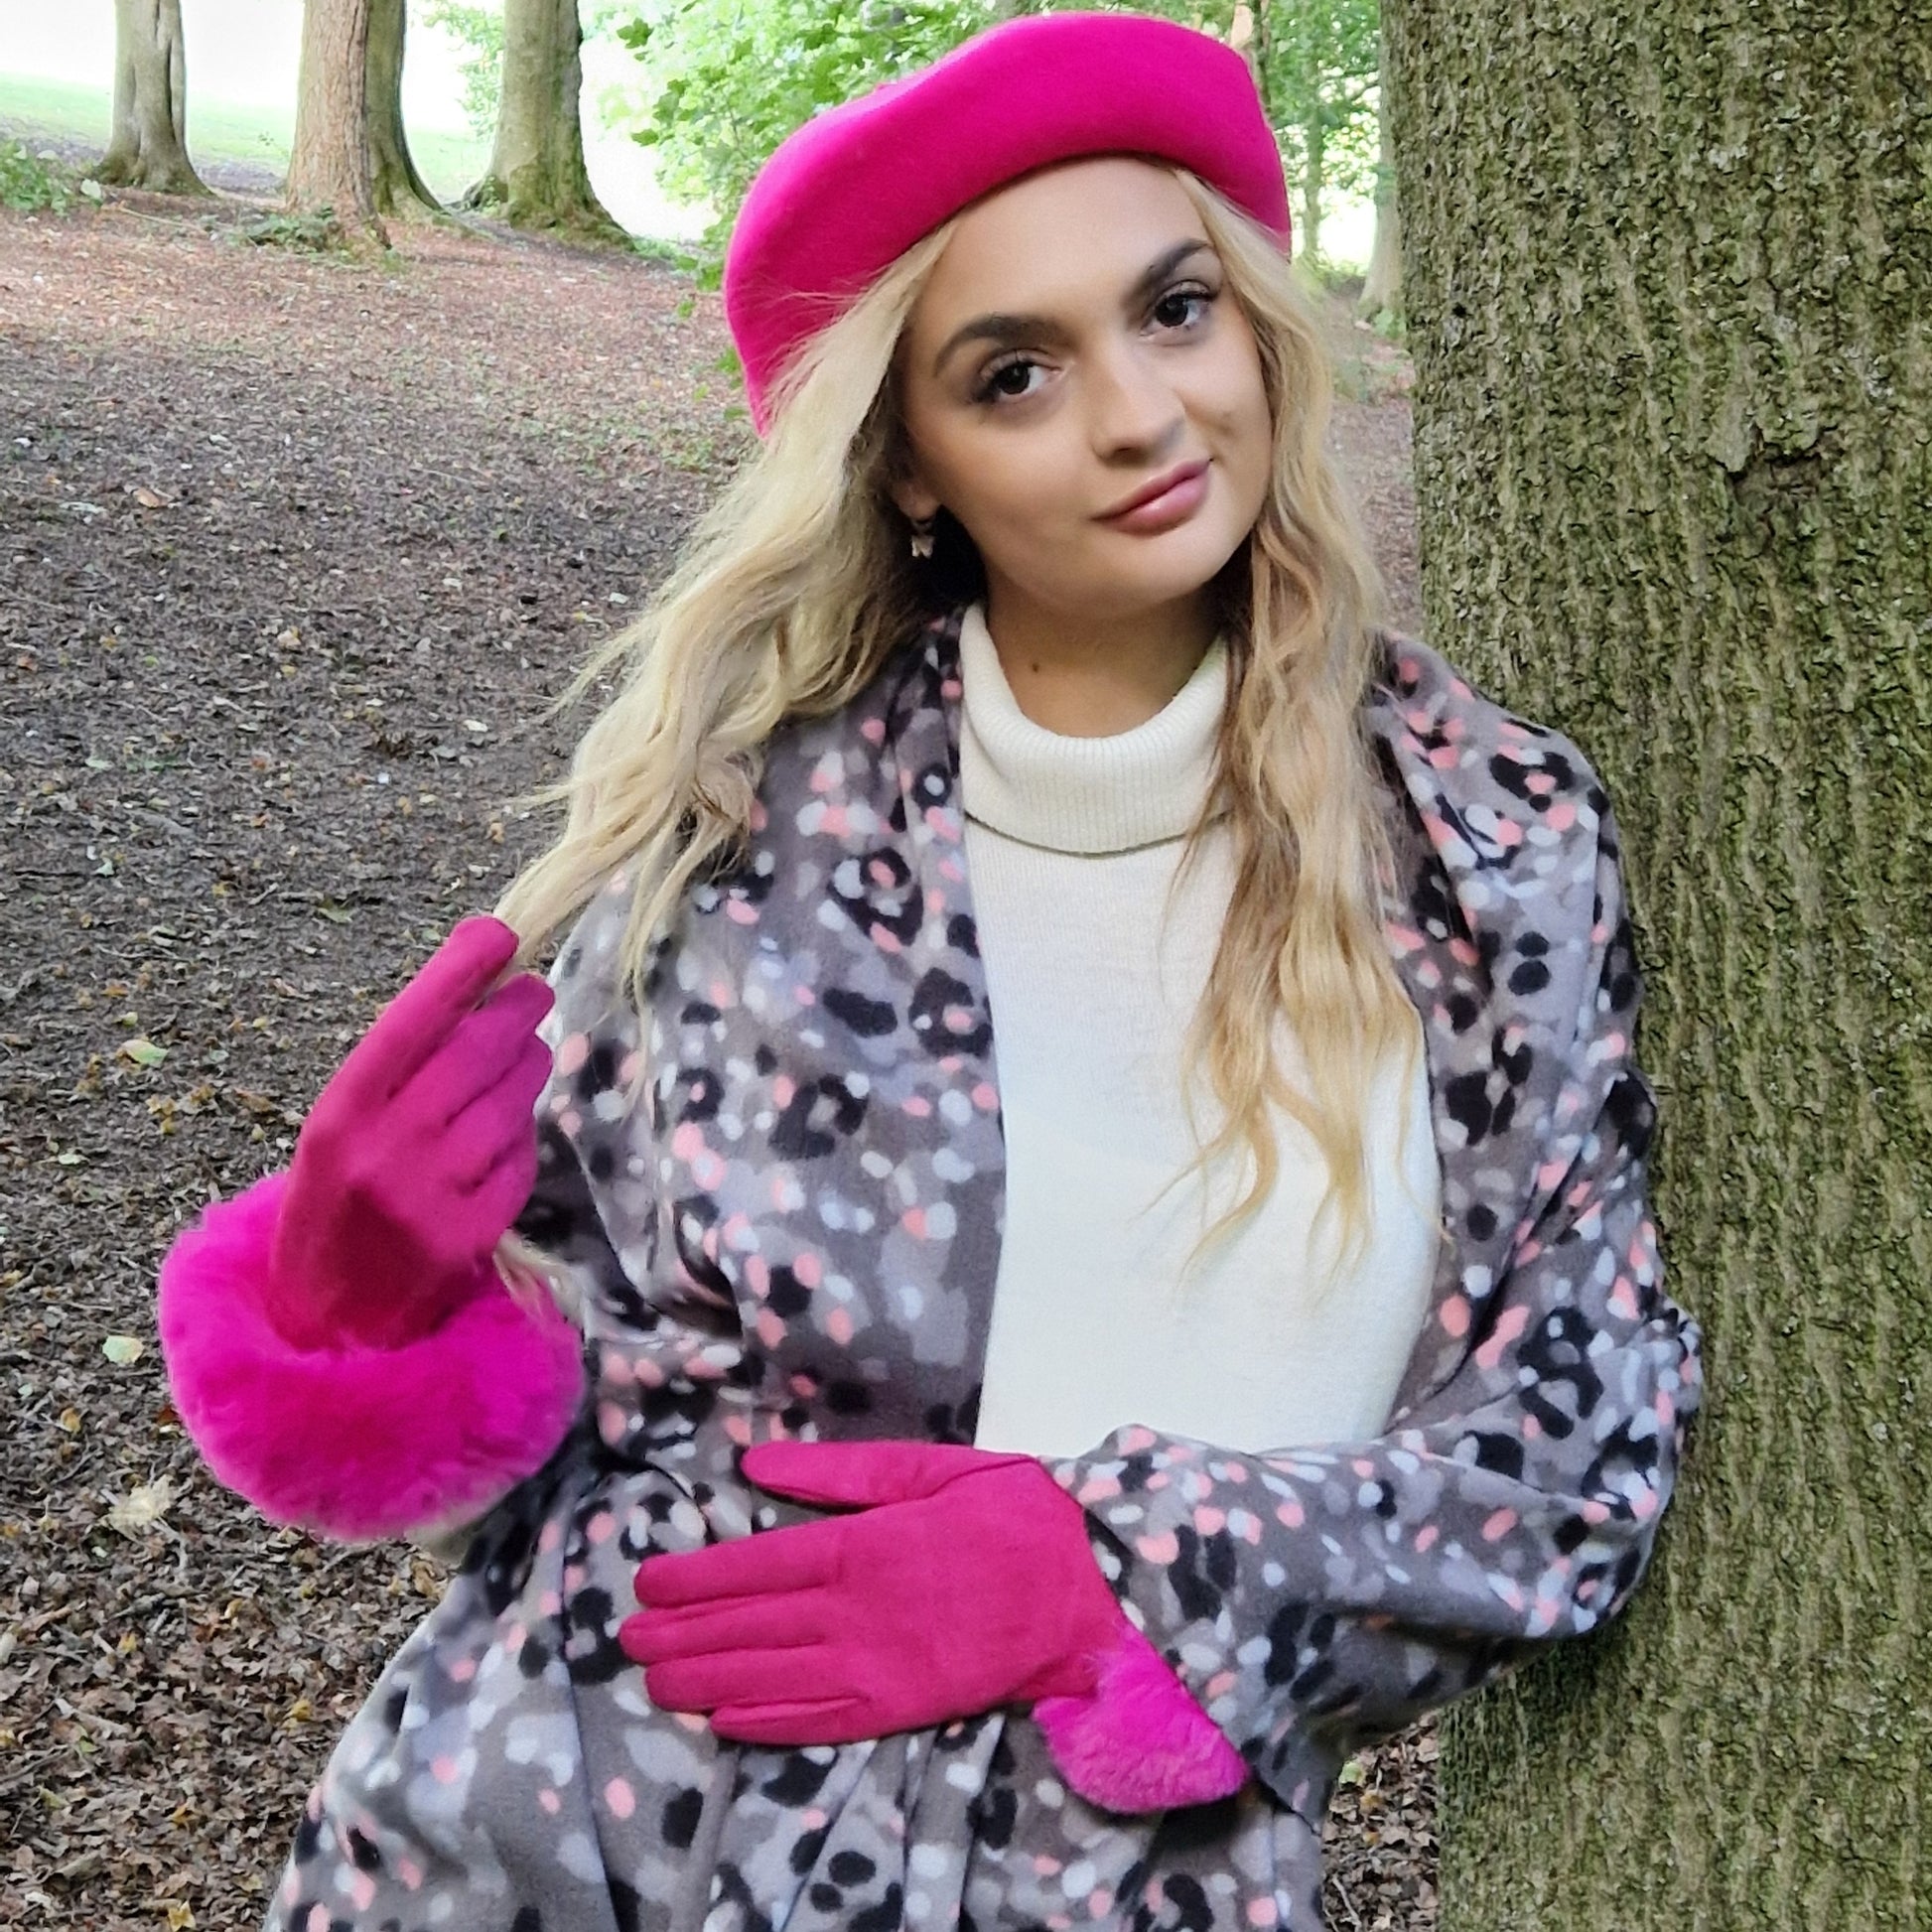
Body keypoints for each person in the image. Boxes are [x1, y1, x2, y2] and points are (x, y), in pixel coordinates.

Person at [155, 12, 1704, 1929]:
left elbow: (1573, 1445)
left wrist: (1126, 1566)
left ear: (1254, 326)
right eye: (1015, 373)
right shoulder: (743, 828)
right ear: (906, 463)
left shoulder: (1489, 846)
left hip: (1119, 1883)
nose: (1136, 414)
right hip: (575, 1831)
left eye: (1174, 310)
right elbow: (549, 1453)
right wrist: (373, 1323)